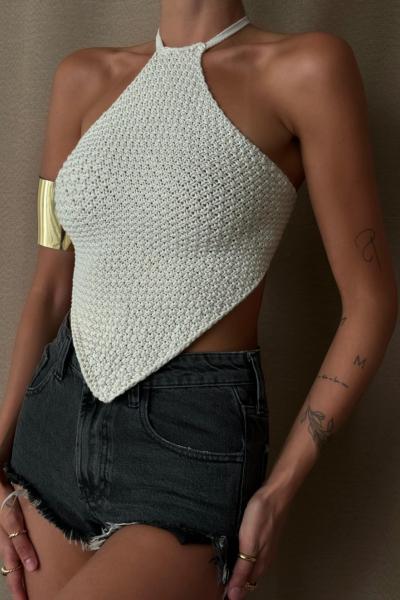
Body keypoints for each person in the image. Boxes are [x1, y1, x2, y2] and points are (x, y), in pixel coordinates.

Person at [0, 0, 398, 599]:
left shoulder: (307, 69)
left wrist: (280, 489)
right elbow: (50, 287)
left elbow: (370, 302)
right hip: (51, 429)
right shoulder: (79, 78)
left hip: (189, 442)